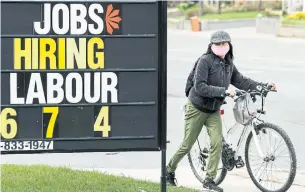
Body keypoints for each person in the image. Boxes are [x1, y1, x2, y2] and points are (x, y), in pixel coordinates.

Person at [165, 30, 276, 192]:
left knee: (217, 143)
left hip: (213, 110)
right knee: (187, 144)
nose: (221, 46)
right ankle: (169, 170)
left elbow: (241, 80)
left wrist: (262, 86)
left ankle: (209, 180)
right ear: (211, 46)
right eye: (217, 44)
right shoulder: (205, 61)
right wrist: (223, 92)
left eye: (224, 43)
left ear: (229, 45)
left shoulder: (228, 63)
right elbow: (200, 87)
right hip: (196, 108)